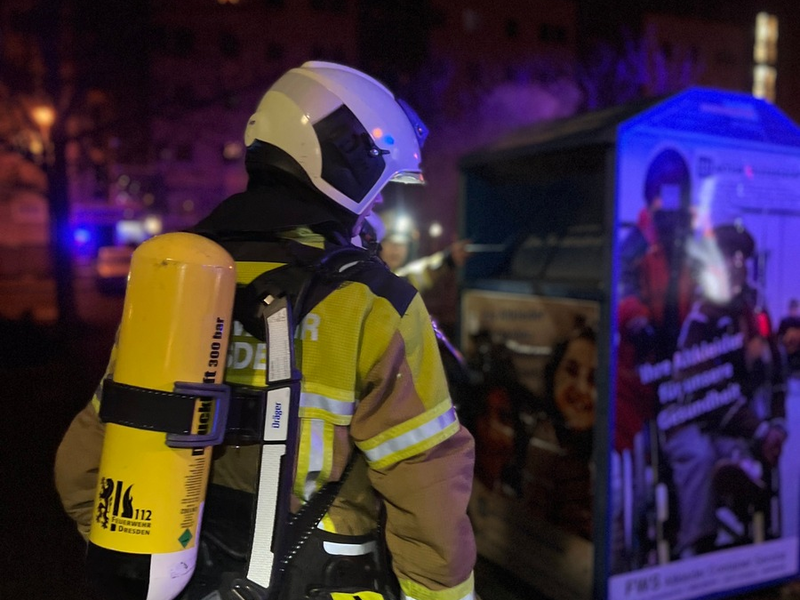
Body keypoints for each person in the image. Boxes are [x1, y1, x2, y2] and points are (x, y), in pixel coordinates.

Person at [54, 61, 477, 600]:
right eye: (380, 187)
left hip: (186, 576)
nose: (377, 204)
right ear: (347, 161)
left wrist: (152, 563)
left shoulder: (178, 281)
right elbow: (426, 482)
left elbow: (82, 466)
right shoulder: (371, 302)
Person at [660, 223, 787, 558]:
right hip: (687, 418)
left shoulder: (752, 314)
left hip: (726, 423)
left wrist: (776, 424)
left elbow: (775, 374)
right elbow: (708, 393)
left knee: (731, 447)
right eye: (731, 259)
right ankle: (696, 545)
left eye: (742, 260)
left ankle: (742, 482)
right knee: (701, 457)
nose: (738, 267)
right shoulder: (699, 319)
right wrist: (760, 429)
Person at [524, 326, 597, 540]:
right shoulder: (543, 443)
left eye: (595, 378)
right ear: (553, 373)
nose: (581, 388)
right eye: (571, 371)